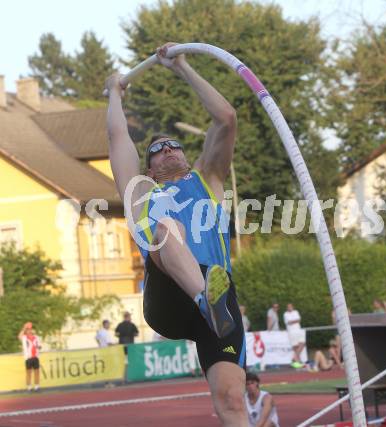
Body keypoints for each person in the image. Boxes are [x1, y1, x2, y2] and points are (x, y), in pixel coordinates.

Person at [105, 42, 247, 425]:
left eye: (174, 146)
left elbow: (226, 119)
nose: (168, 149)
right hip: (167, 298)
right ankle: (205, 301)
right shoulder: (141, 194)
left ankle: (211, 304)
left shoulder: (209, 179)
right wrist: (114, 95)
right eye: (157, 150)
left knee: (233, 400)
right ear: (149, 168)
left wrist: (182, 66)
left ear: (186, 156)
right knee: (168, 228)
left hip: (219, 293)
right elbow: (118, 140)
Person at [18, 322, 42, 392]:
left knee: (37, 372)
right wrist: (24, 327)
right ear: (26, 331)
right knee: (28, 372)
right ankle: (29, 387)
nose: (29, 331)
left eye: (30, 329)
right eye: (28, 330)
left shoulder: (36, 337)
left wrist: (39, 347)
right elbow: (19, 336)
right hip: (28, 357)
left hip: (35, 357)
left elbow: (39, 346)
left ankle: (37, 386)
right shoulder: (24, 338)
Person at [283, 303, 306, 369]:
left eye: (290, 306)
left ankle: (295, 358)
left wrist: (293, 321)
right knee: (295, 347)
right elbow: (289, 322)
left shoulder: (296, 312)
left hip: (298, 330)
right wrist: (295, 321)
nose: (289, 308)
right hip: (291, 332)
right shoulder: (285, 314)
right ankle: (298, 362)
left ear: (292, 307)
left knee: (302, 343)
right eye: (288, 307)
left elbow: (298, 320)